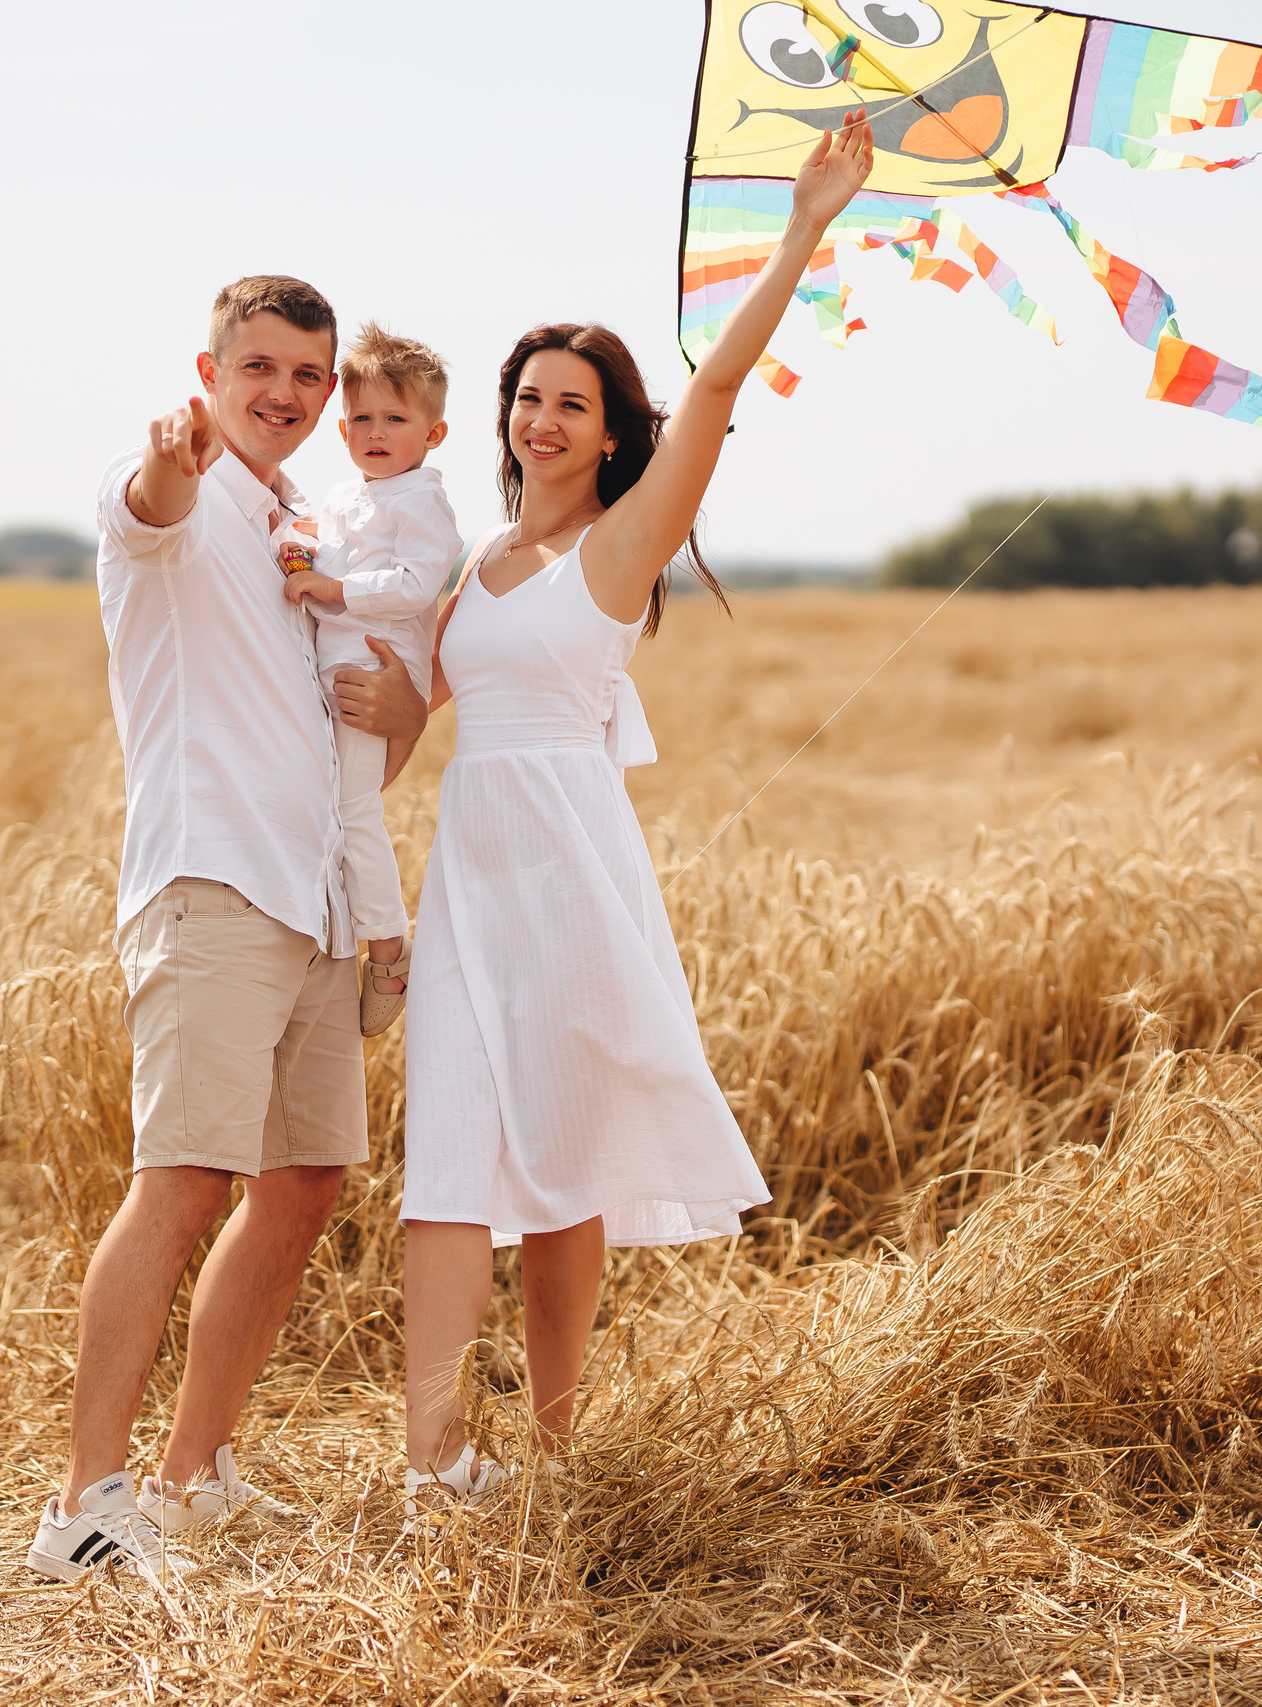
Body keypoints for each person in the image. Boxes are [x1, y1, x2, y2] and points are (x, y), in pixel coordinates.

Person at [396, 113, 878, 1518]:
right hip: (463, 873)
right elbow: (403, 703)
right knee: (445, 1158)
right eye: (526, 397)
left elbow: (716, 391)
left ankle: (550, 1447)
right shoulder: (475, 560)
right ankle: (434, 1463)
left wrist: (803, 228)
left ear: (609, 434)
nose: (541, 419)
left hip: (566, 874)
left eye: (570, 403)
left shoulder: (617, 551)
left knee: (561, 1162)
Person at [25, 275, 429, 1583]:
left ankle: (192, 1480)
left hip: (312, 897)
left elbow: (364, 736)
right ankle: (84, 1506)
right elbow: (148, 507)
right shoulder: (167, 501)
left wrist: (399, 708)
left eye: (310, 375)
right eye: (260, 367)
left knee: (306, 1183)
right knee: (186, 1177)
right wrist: (166, 465)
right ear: (209, 371)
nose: (289, 394)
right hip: (211, 886)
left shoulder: (309, 528)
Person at [273, 323, 464, 1037]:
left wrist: (334, 589)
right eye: (360, 419)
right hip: (334, 666)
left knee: (353, 808)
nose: (374, 433)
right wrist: (297, 544)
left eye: (395, 418)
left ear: (433, 433)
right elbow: (317, 540)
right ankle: (333, 924)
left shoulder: (421, 502)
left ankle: (388, 947)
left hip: (374, 668)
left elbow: (418, 584)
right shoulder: (350, 495)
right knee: (326, 804)